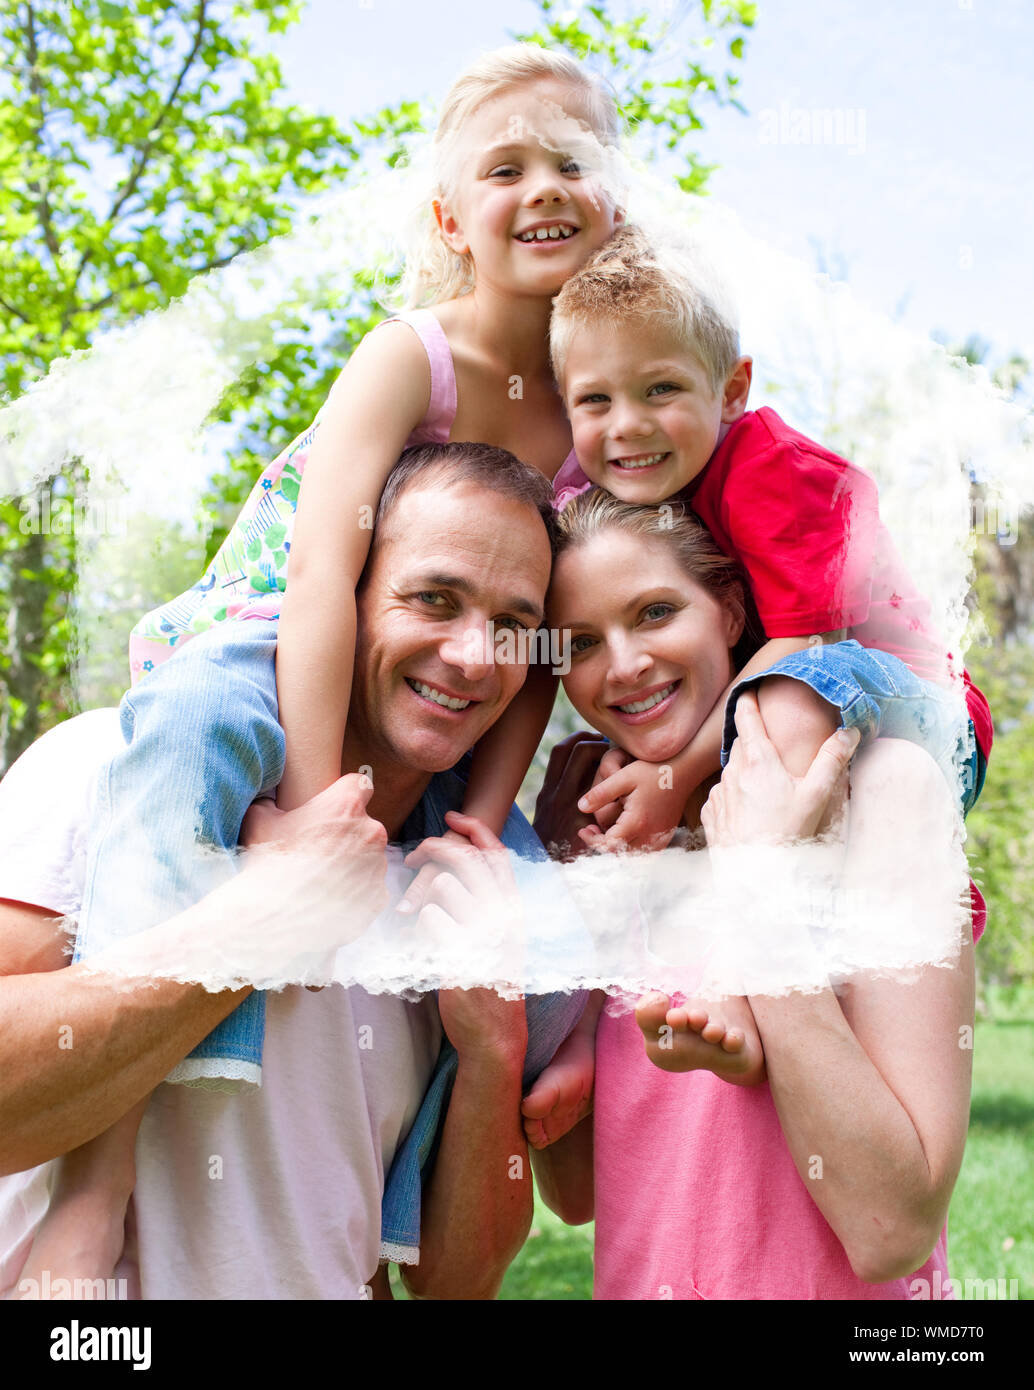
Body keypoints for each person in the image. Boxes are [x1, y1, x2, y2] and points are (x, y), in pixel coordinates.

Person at [31, 42, 626, 1288]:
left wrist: (470, 829)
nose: (542, 189)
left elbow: (529, 655)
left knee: (545, 918)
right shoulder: (411, 354)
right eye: (504, 166)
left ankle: (460, 1147)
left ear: (614, 199)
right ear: (447, 216)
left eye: (570, 162)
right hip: (258, 635)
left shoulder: (590, 415)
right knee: (190, 744)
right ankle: (94, 1188)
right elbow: (318, 579)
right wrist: (308, 809)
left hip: (381, 706)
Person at [0, 443, 580, 1300]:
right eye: (433, 599)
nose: (473, 657)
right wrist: (255, 926)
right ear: (341, 597)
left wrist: (494, 1050)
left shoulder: (466, 897)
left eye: (513, 627)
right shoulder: (117, 767)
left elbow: (457, 1284)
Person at [522, 224, 992, 1107]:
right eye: (595, 402)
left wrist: (674, 776)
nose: (627, 427)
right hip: (830, 702)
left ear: (732, 388)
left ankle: (736, 976)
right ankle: (604, 1021)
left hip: (918, 703)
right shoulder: (626, 494)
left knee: (781, 694)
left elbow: (807, 645)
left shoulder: (767, 471)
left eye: (661, 389)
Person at [526, 489, 980, 1299]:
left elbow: (892, 1230)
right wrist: (559, 914)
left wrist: (760, 892)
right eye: (583, 642)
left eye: (656, 612)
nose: (623, 665)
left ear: (731, 611)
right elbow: (575, 1194)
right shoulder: (608, 843)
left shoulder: (889, 792)